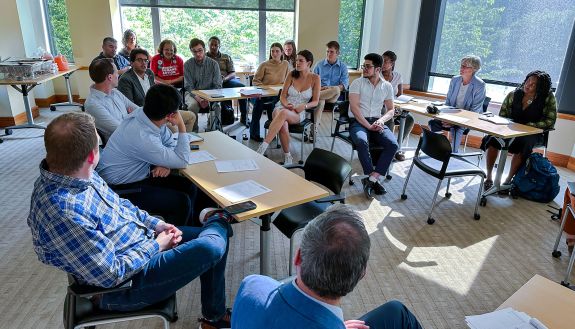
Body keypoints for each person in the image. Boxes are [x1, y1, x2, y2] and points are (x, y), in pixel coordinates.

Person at [27, 111, 233, 329]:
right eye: (99, 146)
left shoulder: (77, 173)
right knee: (211, 246)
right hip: (123, 287)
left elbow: (121, 205)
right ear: (91, 156)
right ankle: (218, 217)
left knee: (212, 241)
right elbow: (111, 275)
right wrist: (156, 245)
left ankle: (213, 317)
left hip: (140, 244)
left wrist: (156, 224)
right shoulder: (63, 211)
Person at [231, 204, 423, 329]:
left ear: (298, 257)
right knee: (399, 314)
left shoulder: (252, 285)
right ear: (361, 275)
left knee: (395, 311)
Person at [97, 84, 206, 227]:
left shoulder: (144, 114)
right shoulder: (143, 136)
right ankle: (176, 240)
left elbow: (170, 142)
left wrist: (166, 162)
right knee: (181, 202)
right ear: (169, 115)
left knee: (189, 186)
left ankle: (193, 228)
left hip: (137, 174)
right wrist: (181, 126)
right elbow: (182, 160)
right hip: (121, 188)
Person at [481, 70, 557, 190]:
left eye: (533, 85)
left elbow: (550, 120)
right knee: (492, 139)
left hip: (533, 132)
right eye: (527, 81)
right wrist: (510, 124)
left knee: (524, 143)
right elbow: (502, 114)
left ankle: (508, 180)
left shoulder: (548, 97)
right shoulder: (514, 94)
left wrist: (530, 125)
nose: (528, 85)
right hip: (511, 129)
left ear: (540, 88)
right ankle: (489, 177)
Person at [256, 50, 320, 165]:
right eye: (296, 60)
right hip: (282, 106)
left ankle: (262, 148)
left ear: (309, 63)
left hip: (298, 111)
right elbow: (283, 95)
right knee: (283, 121)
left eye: (301, 61)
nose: (297, 63)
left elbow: (315, 101)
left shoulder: (315, 78)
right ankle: (287, 157)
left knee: (284, 114)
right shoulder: (291, 74)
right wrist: (285, 104)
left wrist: (304, 106)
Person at [349, 53, 399, 199]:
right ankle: (371, 177)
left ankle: (371, 179)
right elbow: (354, 108)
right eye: (364, 65)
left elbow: (391, 109)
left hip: (377, 121)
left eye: (368, 66)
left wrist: (381, 121)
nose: (364, 68)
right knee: (361, 141)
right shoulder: (357, 83)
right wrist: (368, 125)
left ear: (378, 69)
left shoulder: (387, 86)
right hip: (359, 121)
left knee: (393, 144)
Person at [118, 48, 195, 132]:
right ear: (131, 63)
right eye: (139, 60)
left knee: (191, 116)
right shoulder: (125, 80)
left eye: (145, 60)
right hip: (146, 116)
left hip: (160, 110)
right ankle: (174, 143)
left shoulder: (149, 73)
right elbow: (130, 108)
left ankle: (187, 143)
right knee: (173, 128)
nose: (144, 63)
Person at [428, 55, 486, 153]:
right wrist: (446, 118)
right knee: (433, 123)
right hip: (451, 115)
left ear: (474, 69)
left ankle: (453, 154)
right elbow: (448, 102)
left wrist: (454, 121)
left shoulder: (480, 85)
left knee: (457, 128)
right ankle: (438, 148)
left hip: (468, 119)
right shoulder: (455, 80)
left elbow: (474, 112)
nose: (461, 68)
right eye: (461, 65)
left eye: (465, 66)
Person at [84, 58, 139, 142]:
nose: (118, 75)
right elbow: (122, 130)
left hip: (133, 137)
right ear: (110, 77)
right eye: (116, 72)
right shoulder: (93, 104)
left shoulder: (115, 92)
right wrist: (133, 117)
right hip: (122, 146)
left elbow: (138, 111)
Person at [249, 43, 289, 142]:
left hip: (277, 95)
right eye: (272, 51)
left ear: (282, 52)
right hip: (263, 94)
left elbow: (288, 80)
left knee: (275, 104)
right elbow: (255, 81)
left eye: (277, 51)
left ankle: (273, 133)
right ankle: (254, 134)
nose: (274, 54)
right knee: (259, 104)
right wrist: (265, 88)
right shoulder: (264, 65)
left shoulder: (285, 64)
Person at [312, 41, 349, 143]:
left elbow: (344, 86)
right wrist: (320, 88)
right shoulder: (319, 65)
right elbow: (312, 82)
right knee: (320, 102)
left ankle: (312, 96)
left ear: (338, 53)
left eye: (331, 52)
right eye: (327, 51)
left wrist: (328, 88)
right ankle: (314, 131)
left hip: (334, 96)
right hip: (321, 93)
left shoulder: (343, 67)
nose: (329, 54)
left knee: (336, 89)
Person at [206, 36, 249, 125]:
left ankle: (244, 116)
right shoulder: (204, 57)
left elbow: (233, 73)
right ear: (208, 45)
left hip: (225, 81)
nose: (213, 47)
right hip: (210, 83)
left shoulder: (226, 57)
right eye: (211, 45)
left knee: (242, 88)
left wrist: (224, 79)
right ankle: (214, 117)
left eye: (216, 45)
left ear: (219, 46)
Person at [184, 38, 223, 132]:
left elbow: (217, 85)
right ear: (191, 51)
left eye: (200, 50)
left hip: (210, 93)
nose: (198, 54)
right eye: (194, 51)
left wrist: (206, 98)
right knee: (193, 105)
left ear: (205, 50)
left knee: (217, 106)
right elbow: (189, 86)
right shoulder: (187, 64)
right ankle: (193, 132)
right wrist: (199, 99)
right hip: (192, 93)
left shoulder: (214, 64)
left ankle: (213, 130)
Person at [381, 50, 413, 161]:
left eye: (385, 61)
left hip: (394, 106)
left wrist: (397, 107)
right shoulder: (377, 75)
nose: (382, 64)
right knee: (390, 120)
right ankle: (391, 149)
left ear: (392, 63)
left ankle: (397, 146)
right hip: (380, 108)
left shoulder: (398, 76)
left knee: (409, 119)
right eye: (382, 60)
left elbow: (400, 96)